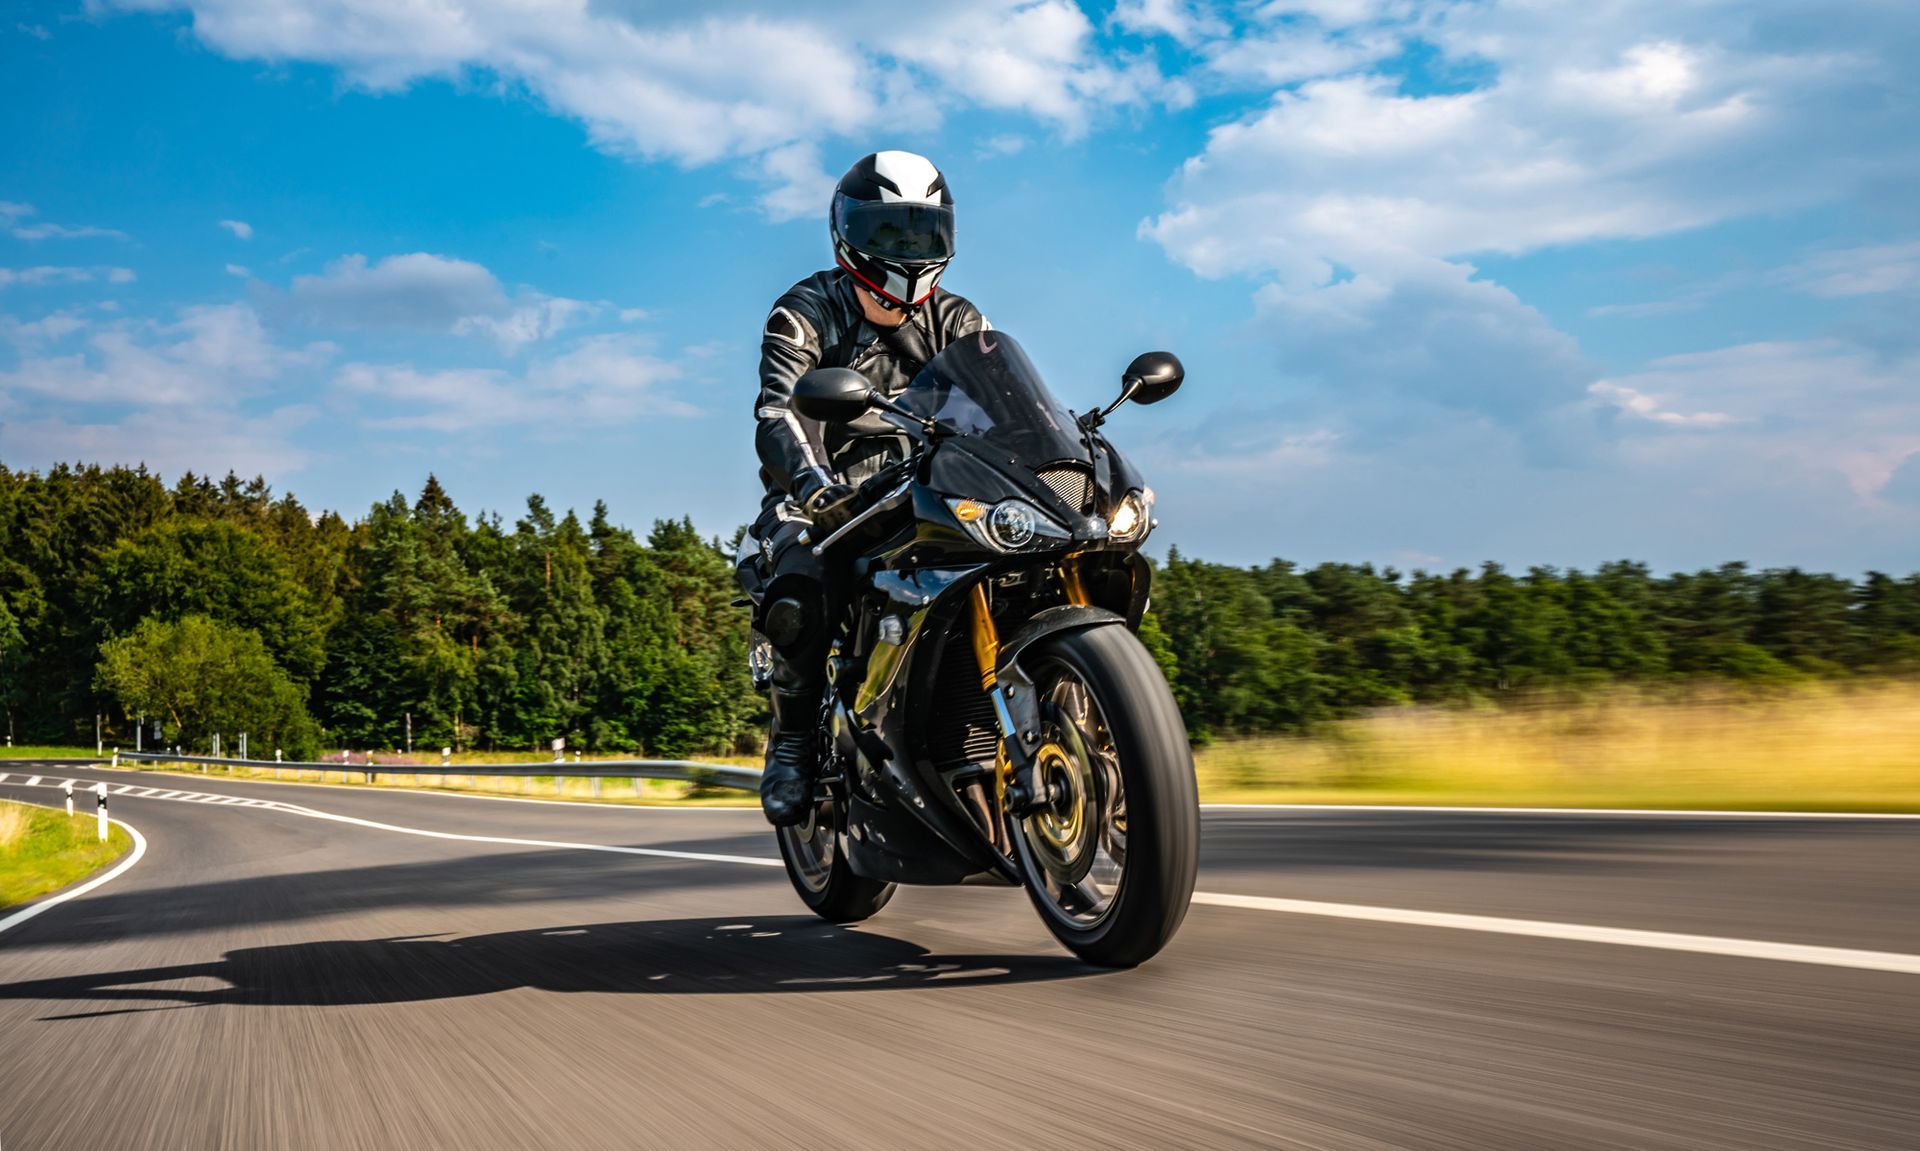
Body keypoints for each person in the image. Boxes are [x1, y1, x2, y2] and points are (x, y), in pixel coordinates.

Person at [749, 150, 990, 826]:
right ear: (848, 233)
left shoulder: (961, 320)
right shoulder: (804, 311)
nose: (907, 251)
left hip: (928, 487)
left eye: (922, 232)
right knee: (802, 582)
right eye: (888, 233)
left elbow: (1000, 405)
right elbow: (778, 412)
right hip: (827, 495)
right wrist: (815, 487)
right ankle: (793, 736)